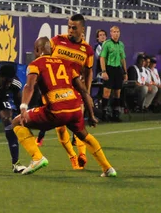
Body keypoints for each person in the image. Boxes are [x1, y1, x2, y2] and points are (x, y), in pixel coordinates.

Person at [13, 37, 117, 177]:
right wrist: (91, 115)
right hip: (74, 108)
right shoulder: (66, 64)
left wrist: (23, 107)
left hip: (56, 110)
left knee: (16, 122)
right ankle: (108, 168)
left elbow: (29, 86)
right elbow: (84, 91)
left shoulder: (35, 64)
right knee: (85, 136)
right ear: (51, 49)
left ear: (37, 50)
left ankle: (37, 157)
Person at [36, 14, 94, 170]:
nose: (70, 30)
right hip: (53, 91)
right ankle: (72, 156)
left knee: (78, 124)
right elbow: (43, 59)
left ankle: (82, 154)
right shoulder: (56, 41)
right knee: (60, 128)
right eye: (69, 26)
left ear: (83, 29)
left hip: (74, 91)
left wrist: (86, 93)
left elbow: (88, 73)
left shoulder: (87, 50)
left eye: (74, 28)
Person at [99, 25, 127, 121]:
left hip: (118, 69)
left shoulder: (121, 45)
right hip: (109, 69)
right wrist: (104, 71)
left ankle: (115, 114)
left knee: (117, 93)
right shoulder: (106, 44)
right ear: (111, 33)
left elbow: (123, 58)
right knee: (106, 93)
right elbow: (102, 58)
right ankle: (103, 113)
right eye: (114, 32)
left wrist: (125, 72)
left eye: (117, 32)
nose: (116, 34)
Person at [93, 28, 107, 101]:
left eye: (104, 35)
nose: (102, 36)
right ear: (97, 38)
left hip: (110, 71)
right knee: (101, 89)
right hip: (101, 72)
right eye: (100, 35)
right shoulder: (97, 46)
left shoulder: (109, 45)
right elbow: (100, 57)